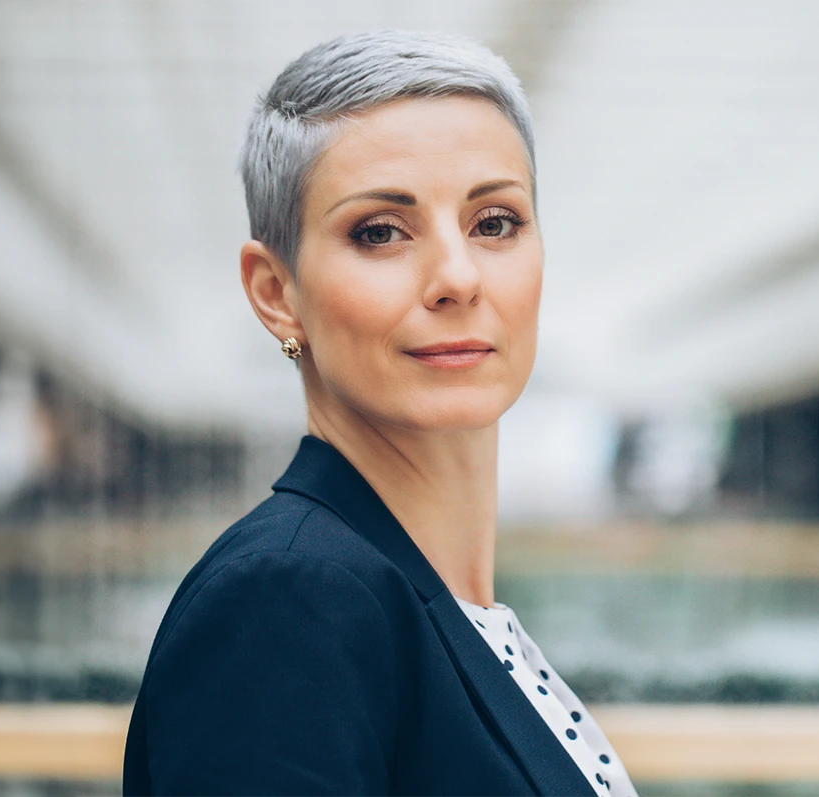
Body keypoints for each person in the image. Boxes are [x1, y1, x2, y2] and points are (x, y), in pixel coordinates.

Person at [122, 30, 637, 797]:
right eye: (381, 232)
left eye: (494, 221)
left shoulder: (439, 609)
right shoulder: (287, 600)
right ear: (276, 292)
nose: (457, 278)